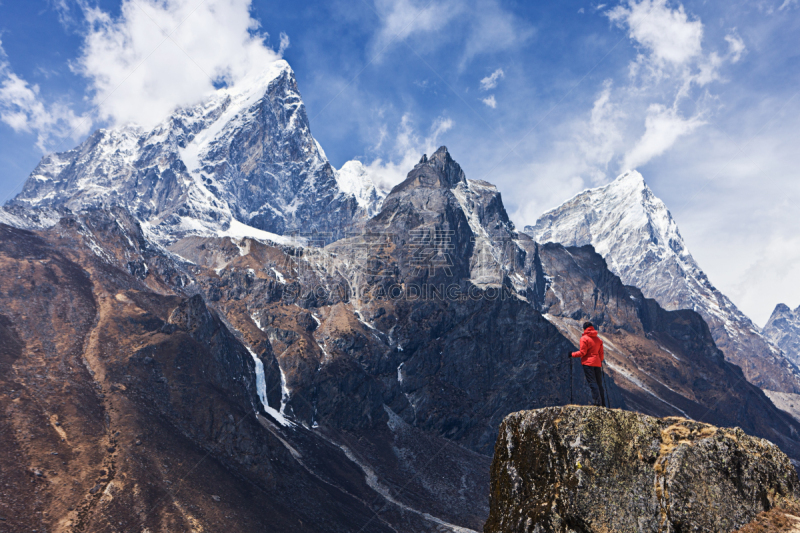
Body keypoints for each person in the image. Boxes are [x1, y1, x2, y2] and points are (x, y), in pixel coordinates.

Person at [570, 321, 606, 407]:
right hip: (597, 364)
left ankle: (597, 403)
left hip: (588, 364)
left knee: (592, 383)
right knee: (599, 384)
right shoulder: (598, 339)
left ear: (584, 329)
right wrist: (599, 360)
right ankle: (603, 404)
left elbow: (583, 352)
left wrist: (572, 354)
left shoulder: (584, 339)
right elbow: (601, 354)